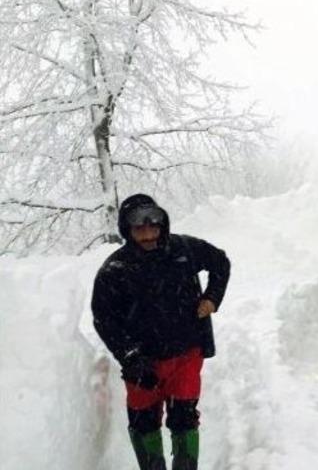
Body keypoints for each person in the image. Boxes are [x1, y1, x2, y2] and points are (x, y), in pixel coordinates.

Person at [91, 194, 231, 470]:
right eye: (138, 228)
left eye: (153, 226)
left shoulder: (184, 249)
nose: (147, 235)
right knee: (143, 421)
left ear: (162, 224)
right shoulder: (114, 270)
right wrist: (130, 357)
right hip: (142, 362)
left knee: (184, 417)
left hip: (186, 354)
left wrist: (212, 298)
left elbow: (220, 262)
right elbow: (104, 319)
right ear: (127, 229)